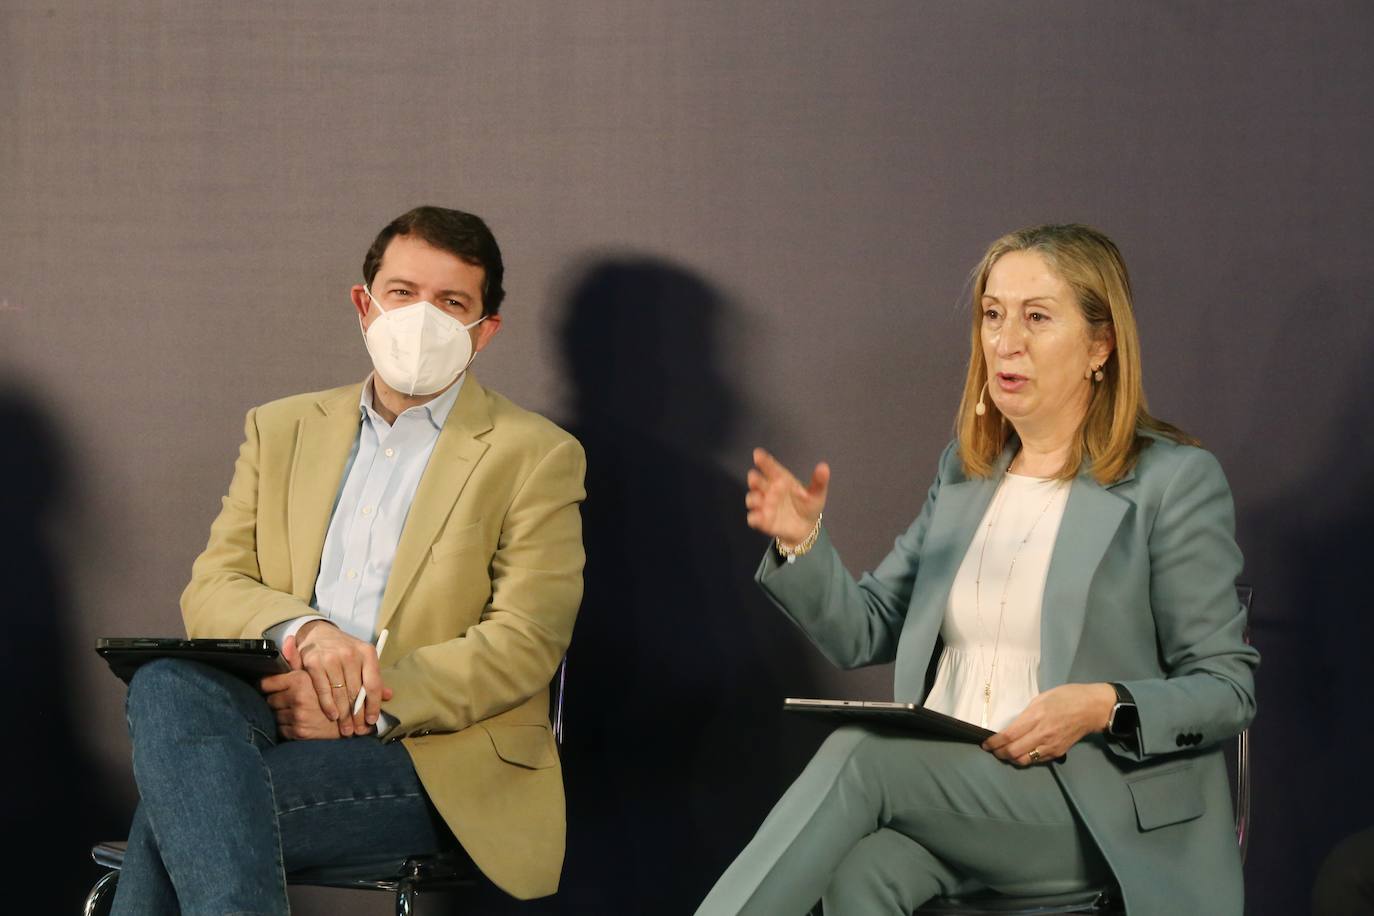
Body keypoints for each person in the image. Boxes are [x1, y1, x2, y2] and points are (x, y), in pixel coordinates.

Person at [696, 224, 1258, 916]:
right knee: (860, 875)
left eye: (1037, 317)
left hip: (1089, 808)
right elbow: (863, 632)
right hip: (961, 791)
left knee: (864, 756)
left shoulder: (1172, 481)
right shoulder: (966, 476)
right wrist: (803, 542)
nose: (1005, 340)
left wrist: (1099, 703)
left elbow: (1227, 688)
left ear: (1100, 346)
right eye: (993, 314)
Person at [110, 206, 586, 914]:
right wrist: (307, 635)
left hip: (433, 756)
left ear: (485, 331)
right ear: (365, 306)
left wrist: (366, 705)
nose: (422, 317)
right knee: (165, 682)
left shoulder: (534, 453)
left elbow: (527, 641)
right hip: (278, 709)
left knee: (180, 812)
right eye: (402, 293)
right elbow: (216, 582)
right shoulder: (281, 428)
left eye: (452, 303)